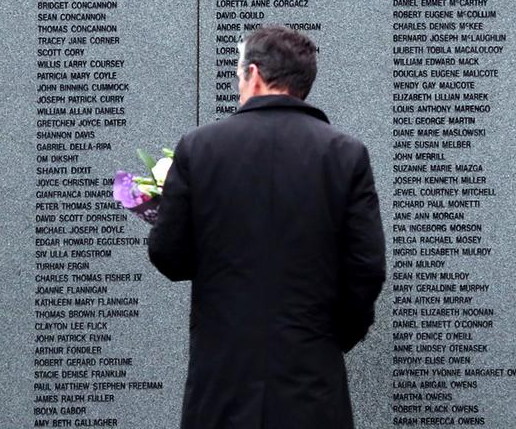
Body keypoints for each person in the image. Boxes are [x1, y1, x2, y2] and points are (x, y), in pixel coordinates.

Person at [148, 25, 386, 429]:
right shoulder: (345, 155)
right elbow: (366, 266)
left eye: (239, 75)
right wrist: (333, 337)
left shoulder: (200, 148)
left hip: (222, 377)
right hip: (311, 377)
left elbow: (170, 257)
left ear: (254, 74)